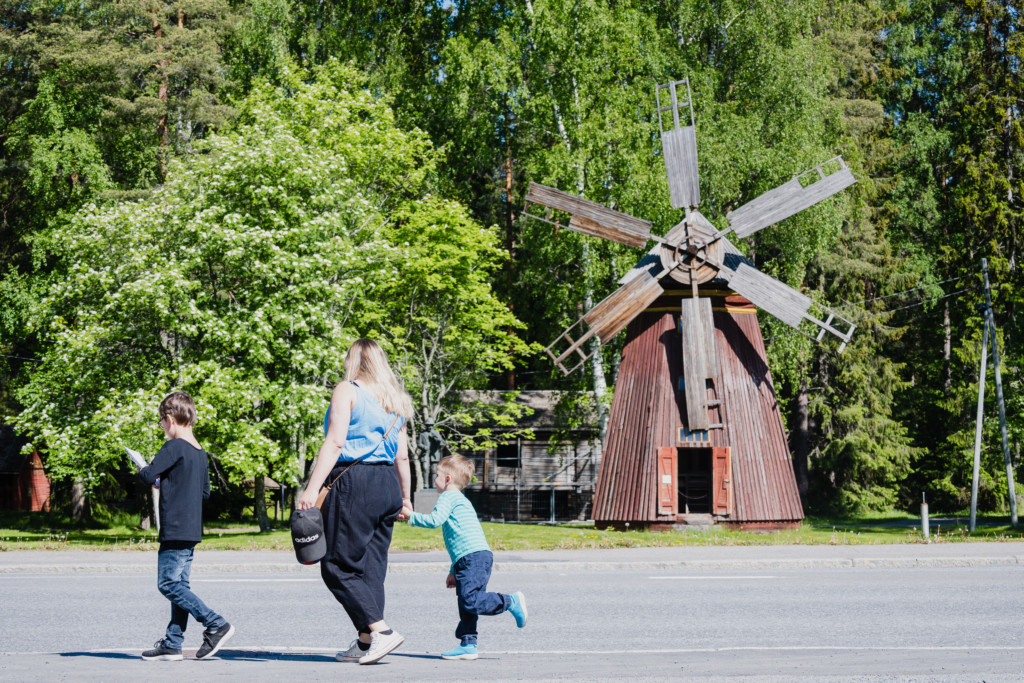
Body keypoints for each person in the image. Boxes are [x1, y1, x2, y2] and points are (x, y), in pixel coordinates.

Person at [297, 339, 414, 665]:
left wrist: (311, 490)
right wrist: (406, 498)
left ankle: (383, 632)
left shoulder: (347, 391)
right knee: (371, 570)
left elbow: (335, 443)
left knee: (335, 566)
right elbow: (402, 457)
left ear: (354, 360)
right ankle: (366, 642)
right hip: (387, 485)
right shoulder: (396, 399)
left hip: (354, 483)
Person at [138, 391, 234, 661]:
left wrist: (145, 469)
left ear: (170, 419)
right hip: (192, 528)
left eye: (161, 422)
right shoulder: (199, 452)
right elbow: (203, 492)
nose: (163, 427)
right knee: (180, 585)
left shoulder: (173, 447)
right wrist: (169, 483)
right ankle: (173, 643)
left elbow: (148, 474)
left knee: (167, 584)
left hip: (175, 526)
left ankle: (215, 623)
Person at [405, 454, 527, 661]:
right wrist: (454, 570)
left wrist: (411, 516)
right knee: (466, 603)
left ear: (448, 479)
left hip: (474, 558)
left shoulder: (448, 497)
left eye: (436, 475)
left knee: (471, 601)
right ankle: (468, 644)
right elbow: (461, 539)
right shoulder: (458, 499)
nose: (434, 479)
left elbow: (435, 520)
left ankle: (510, 601)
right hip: (470, 558)